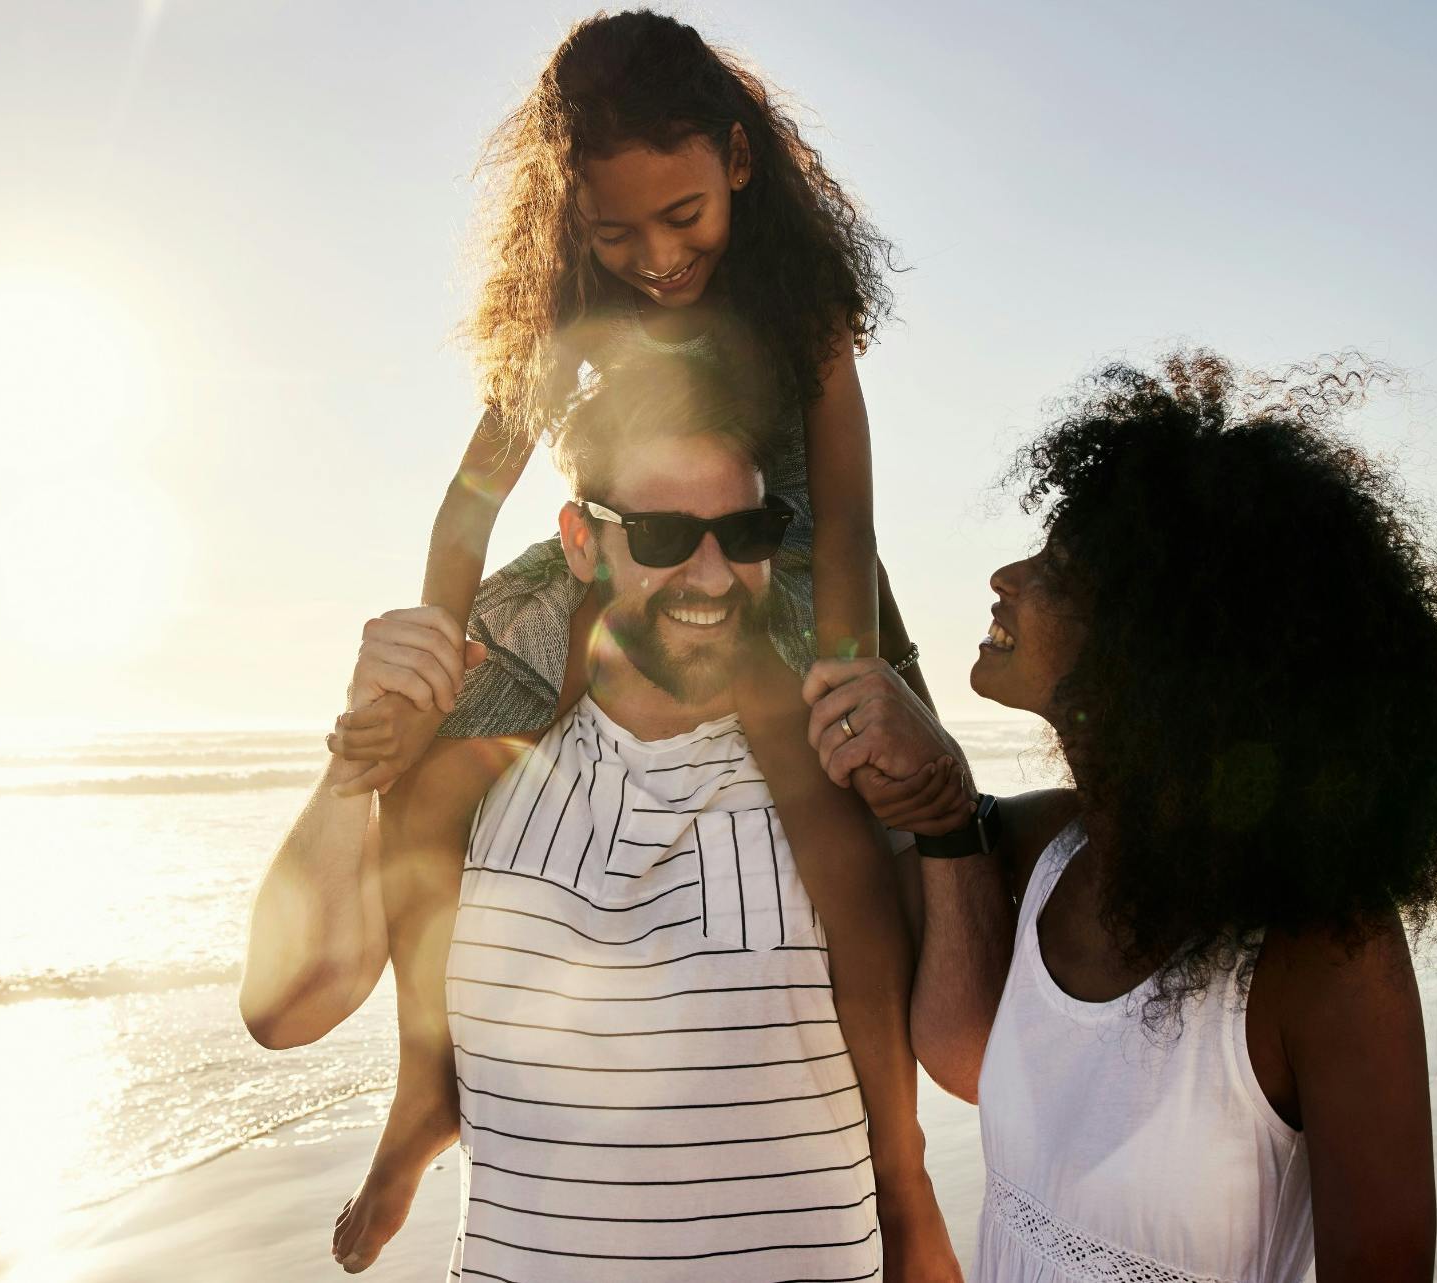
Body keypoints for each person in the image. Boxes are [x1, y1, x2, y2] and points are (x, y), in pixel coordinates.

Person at [315, 9, 960, 1277]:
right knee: (433, 769)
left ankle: (903, 1176)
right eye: (617, 231)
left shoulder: (801, 301)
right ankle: (421, 1093)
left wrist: (841, 664)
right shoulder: (562, 305)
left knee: (842, 813)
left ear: (737, 161)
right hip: (619, 552)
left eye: (683, 218)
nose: (656, 256)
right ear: (571, 213)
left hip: (781, 559)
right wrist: (434, 656)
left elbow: (846, 501)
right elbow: (469, 501)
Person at [244, 352, 964, 1280]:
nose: (709, 571)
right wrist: (360, 751)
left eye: (745, 530)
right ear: (581, 544)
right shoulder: (485, 754)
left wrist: (904, 1187)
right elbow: (280, 1011)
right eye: (662, 534)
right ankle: (423, 1099)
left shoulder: (827, 761)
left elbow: (957, 1020)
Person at [802, 352, 1437, 1282]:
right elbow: (967, 1057)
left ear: (1154, 641)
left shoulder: (1326, 957)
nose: (1006, 575)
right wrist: (943, 811)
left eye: (1056, 566)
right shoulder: (1050, 848)